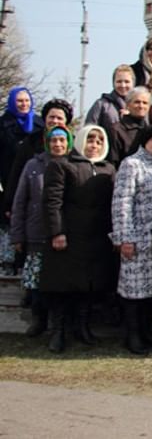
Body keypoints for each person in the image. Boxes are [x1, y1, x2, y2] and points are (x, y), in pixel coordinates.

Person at [38, 125, 117, 353]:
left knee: (88, 286)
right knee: (63, 286)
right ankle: (59, 332)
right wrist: (57, 232)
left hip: (96, 237)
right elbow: (52, 201)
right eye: (90, 140)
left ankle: (83, 328)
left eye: (99, 142)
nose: (94, 145)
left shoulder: (108, 169)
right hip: (68, 236)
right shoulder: (62, 165)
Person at [110, 123, 152, 354]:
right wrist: (124, 237)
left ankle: (149, 332)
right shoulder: (132, 165)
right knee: (134, 291)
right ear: (145, 142)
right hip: (137, 238)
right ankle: (132, 334)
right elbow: (122, 203)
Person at [11, 125, 72, 337]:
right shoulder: (32, 165)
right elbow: (20, 201)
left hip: (64, 234)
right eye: (54, 140)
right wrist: (17, 234)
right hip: (36, 233)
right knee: (35, 283)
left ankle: (59, 326)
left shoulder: (73, 165)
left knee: (58, 283)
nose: (58, 144)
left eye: (62, 141)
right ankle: (39, 320)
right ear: (47, 142)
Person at [108, 86, 152, 166]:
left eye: (145, 103)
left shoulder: (150, 130)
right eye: (137, 102)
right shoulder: (116, 130)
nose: (141, 106)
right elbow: (112, 162)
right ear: (127, 105)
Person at [85, 65, 135, 135]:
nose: (123, 85)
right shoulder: (101, 105)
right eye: (119, 81)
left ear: (133, 83)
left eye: (127, 82)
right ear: (113, 83)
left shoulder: (139, 106)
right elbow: (89, 130)